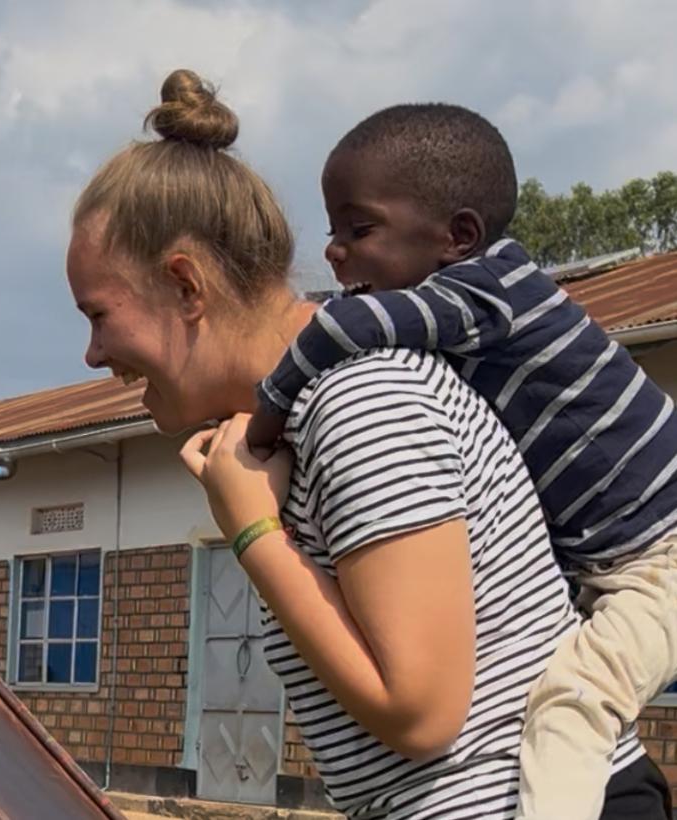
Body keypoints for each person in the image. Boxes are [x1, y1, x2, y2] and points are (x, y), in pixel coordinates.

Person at [66, 69, 671, 819]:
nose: (92, 355)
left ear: (187, 286)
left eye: (98, 314)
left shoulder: (360, 400)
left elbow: (421, 712)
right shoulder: (317, 406)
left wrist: (254, 533)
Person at [245, 103, 677, 820]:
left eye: (360, 228)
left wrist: (265, 413)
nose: (335, 251)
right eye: (332, 232)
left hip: (662, 561)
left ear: (460, 236)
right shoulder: (458, 316)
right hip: (622, 561)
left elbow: (350, 327)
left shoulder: (490, 293)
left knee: (571, 705)